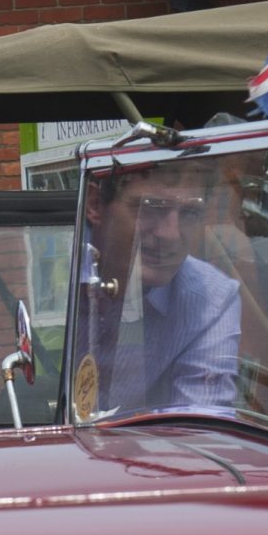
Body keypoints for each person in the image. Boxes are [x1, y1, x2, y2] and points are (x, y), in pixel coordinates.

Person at [71, 163, 240, 419]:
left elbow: (199, 432)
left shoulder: (211, 300)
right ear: (95, 205)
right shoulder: (56, 280)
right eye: (149, 209)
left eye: (190, 213)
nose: (170, 234)